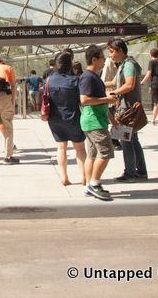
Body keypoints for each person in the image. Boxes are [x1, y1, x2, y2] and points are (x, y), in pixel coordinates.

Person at [105, 39, 147, 182]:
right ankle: (141, 171)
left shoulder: (128, 65)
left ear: (120, 50)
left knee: (126, 141)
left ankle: (130, 173)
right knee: (133, 140)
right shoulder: (124, 65)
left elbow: (129, 84)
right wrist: (97, 83)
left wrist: (114, 93)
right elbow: (113, 83)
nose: (110, 55)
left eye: (111, 52)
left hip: (127, 110)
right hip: (128, 108)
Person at [80, 45, 117, 201]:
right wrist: (107, 99)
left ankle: (89, 184)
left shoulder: (94, 76)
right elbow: (85, 99)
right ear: (94, 59)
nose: (105, 60)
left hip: (95, 120)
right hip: (94, 122)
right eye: (102, 57)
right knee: (106, 152)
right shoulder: (88, 77)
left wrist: (112, 120)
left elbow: (99, 102)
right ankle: (95, 183)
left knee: (92, 154)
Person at [45, 50, 87, 186]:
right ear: (70, 65)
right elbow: (81, 100)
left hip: (54, 118)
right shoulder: (75, 80)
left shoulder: (50, 80)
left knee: (61, 148)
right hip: (73, 117)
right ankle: (84, 177)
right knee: (79, 148)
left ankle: (64, 177)